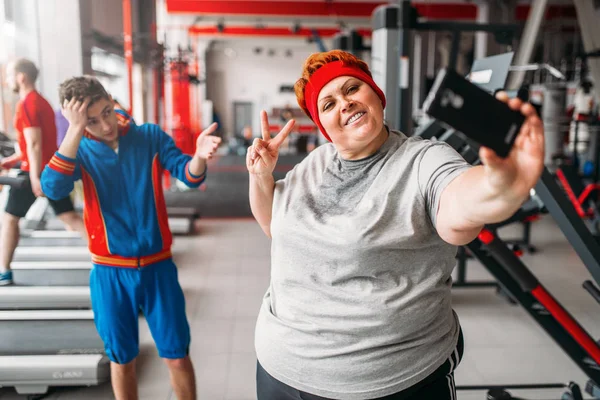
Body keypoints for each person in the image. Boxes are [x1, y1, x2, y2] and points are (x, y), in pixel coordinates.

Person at [246, 50, 545, 400]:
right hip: (277, 370)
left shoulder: (423, 160)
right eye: (327, 104)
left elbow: (459, 208)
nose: (344, 103)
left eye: (352, 88)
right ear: (322, 127)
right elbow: (272, 226)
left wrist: (503, 184)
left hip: (387, 383)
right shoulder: (315, 164)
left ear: (376, 94)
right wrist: (261, 176)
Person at [40, 76, 221, 399]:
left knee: (177, 356)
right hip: (110, 274)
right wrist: (74, 130)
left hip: (158, 269)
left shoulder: (148, 136)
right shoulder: (78, 150)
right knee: (122, 361)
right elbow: (53, 188)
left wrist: (200, 157)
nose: (105, 125)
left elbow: (189, 175)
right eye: (91, 120)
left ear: (112, 100)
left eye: (107, 112)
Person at [0, 58, 86, 286]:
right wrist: (10, 161)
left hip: (35, 172)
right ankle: (107, 254)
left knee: (9, 220)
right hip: (49, 168)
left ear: (21, 77)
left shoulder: (27, 104)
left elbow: (35, 144)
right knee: (69, 217)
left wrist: (35, 177)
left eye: (9, 76)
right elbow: (35, 145)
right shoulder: (42, 102)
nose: (7, 81)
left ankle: (4, 272)